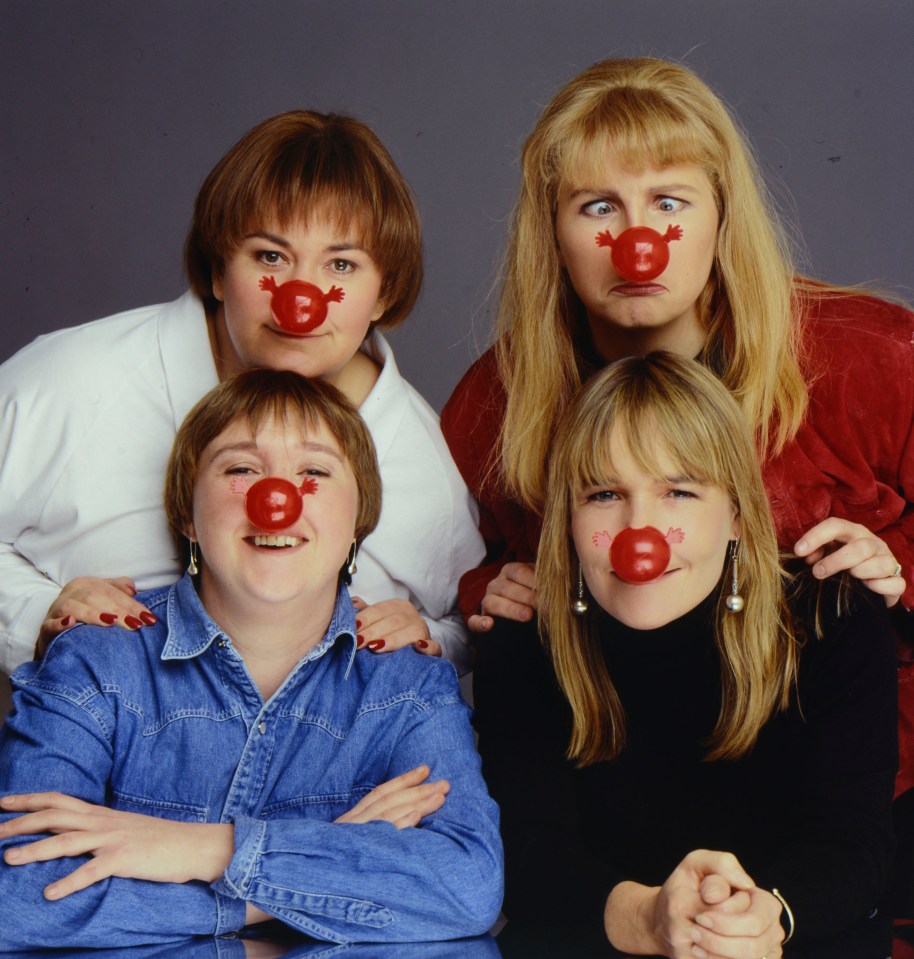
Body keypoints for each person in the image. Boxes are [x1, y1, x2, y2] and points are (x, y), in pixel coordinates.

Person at [0, 370, 503, 950]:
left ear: (357, 523)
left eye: (313, 472)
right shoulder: (95, 660)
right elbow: (19, 897)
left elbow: (467, 884)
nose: (276, 501)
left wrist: (207, 849)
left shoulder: (409, 684)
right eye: (241, 470)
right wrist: (299, 883)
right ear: (188, 515)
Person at [0, 110, 482, 678]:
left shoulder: (423, 461)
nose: (299, 299)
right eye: (270, 257)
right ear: (216, 269)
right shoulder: (67, 380)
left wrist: (427, 639)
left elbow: (463, 625)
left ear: (384, 293)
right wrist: (37, 614)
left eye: (342, 264)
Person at [440, 56, 911, 635]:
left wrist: (897, 569)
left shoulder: (876, 356)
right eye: (599, 206)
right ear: (553, 234)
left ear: (722, 217)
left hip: (834, 717)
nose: (637, 246)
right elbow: (465, 567)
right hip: (628, 719)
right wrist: (490, 590)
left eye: (668, 203)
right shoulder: (493, 402)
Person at [473, 353, 896, 956]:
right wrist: (650, 919)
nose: (636, 532)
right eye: (603, 494)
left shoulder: (833, 616)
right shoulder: (523, 639)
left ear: (738, 517)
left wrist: (763, 919)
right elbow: (527, 852)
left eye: (678, 491)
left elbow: (854, 842)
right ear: (567, 519)